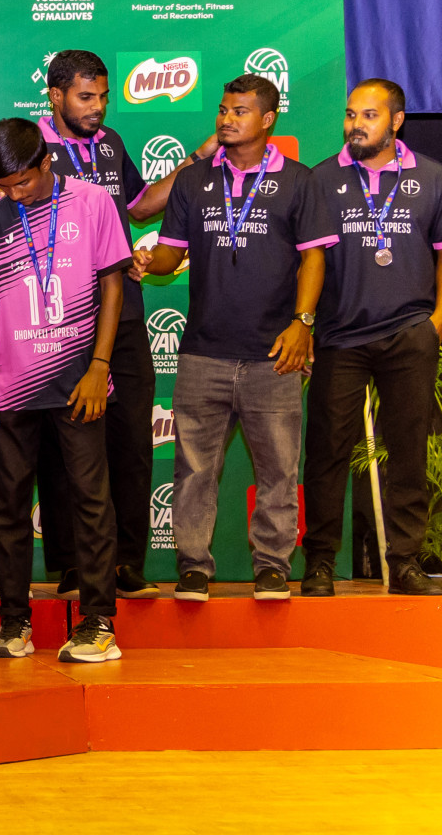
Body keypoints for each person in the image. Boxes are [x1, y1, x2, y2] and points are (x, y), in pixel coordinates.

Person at [135, 75, 335, 602]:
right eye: (223, 109)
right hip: (203, 351)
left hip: (274, 352)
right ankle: (193, 567)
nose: (226, 118)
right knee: (195, 470)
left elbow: (314, 255)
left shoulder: (299, 180)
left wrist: (303, 323)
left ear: (268, 120)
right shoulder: (194, 180)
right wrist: (142, 260)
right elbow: (170, 254)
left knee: (277, 469)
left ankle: (272, 566)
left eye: (239, 111)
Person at [34, 50, 200, 600]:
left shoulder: (110, 144)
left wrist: (197, 159)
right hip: (59, 318)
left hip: (124, 312)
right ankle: (75, 565)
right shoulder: (27, 149)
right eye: (86, 98)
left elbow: (143, 206)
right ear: (55, 96)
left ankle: (126, 562)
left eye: (103, 96)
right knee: (66, 446)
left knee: (130, 439)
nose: (98, 108)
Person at [0, 117, 128, 664]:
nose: (16, 194)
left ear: (46, 163)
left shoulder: (91, 203)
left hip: (78, 381)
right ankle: (14, 621)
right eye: (5, 185)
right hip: (10, 386)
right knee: (9, 507)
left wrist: (99, 364)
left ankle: (97, 622)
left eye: (25, 183)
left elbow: (113, 288)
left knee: (89, 501)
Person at [303, 80, 442, 596]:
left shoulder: (431, 177)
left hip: (410, 333)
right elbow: (307, 260)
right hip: (340, 336)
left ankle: (405, 560)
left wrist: (435, 323)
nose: (355, 124)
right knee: (326, 451)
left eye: (369, 115)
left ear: (396, 121)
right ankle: (319, 561)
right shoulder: (322, 179)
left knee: (407, 449)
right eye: (349, 114)